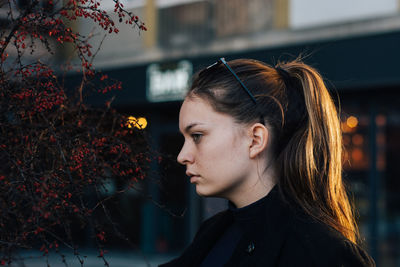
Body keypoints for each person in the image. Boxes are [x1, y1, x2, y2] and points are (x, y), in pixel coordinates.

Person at [159, 58, 376, 267]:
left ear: (255, 140)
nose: (182, 156)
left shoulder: (320, 254)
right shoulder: (214, 232)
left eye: (197, 135)